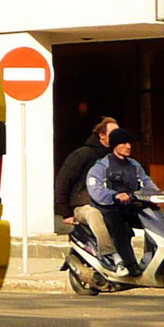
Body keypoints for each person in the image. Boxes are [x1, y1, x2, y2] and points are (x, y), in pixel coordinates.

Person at [86, 128, 164, 278]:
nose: (128, 146)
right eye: (123, 143)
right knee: (119, 226)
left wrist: (157, 193)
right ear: (115, 145)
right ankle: (131, 264)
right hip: (110, 208)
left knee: (154, 222)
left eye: (129, 143)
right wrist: (115, 195)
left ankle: (152, 260)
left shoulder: (134, 165)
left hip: (131, 206)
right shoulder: (101, 167)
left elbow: (146, 182)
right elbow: (96, 190)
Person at [54, 116, 123, 276]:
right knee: (94, 214)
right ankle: (111, 255)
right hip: (84, 206)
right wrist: (65, 212)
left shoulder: (117, 157)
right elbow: (63, 181)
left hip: (109, 204)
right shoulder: (82, 155)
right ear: (102, 135)